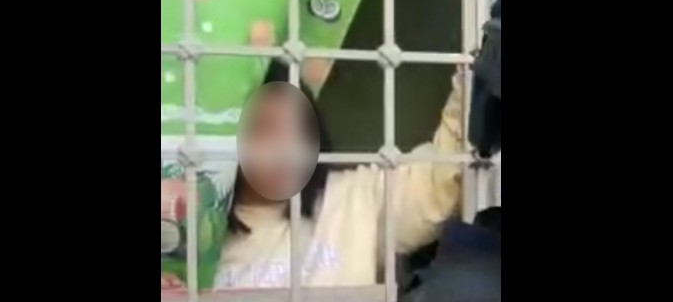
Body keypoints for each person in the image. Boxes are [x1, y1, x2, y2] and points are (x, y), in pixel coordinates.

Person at [161, 61, 465, 289]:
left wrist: (469, 83)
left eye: (301, 128)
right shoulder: (196, 239)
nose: (288, 146)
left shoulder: (354, 198)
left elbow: (438, 181)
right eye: (265, 128)